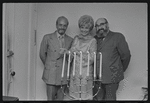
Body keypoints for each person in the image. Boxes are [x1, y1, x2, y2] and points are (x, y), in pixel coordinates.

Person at [93, 18, 131, 100]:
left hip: (112, 78)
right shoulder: (94, 39)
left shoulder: (118, 37)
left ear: (107, 24)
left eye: (102, 24)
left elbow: (126, 56)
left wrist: (118, 70)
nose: (100, 27)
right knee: (97, 99)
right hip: (96, 79)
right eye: (97, 26)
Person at [39, 16, 73, 100]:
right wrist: (49, 65)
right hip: (51, 74)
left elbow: (71, 57)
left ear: (67, 26)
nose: (62, 27)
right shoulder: (47, 37)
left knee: (61, 98)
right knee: (50, 99)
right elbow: (42, 54)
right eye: (60, 25)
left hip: (63, 74)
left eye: (64, 25)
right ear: (56, 25)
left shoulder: (70, 40)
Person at [68, 15, 97, 100]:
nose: (83, 30)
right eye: (82, 27)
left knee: (85, 95)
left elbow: (92, 58)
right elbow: (71, 53)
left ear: (90, 28)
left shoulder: (93, 41)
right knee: (74, 95)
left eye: (86, 28)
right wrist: (69, 53)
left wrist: (80, 54)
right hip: (75, 70)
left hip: (86, 71)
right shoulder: (76, 38)